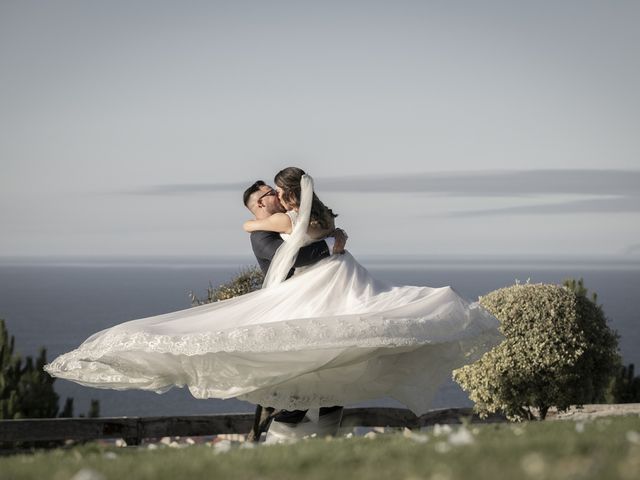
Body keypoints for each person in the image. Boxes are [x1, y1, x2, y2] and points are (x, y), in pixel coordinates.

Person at [44, 167, 502, 440]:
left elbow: (313, 236)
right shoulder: (262, 229)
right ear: (254, 207)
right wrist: (328, 246)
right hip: (306, 284)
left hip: (330, 281)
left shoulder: (291, 217)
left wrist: (330, 244)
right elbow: (288, 252)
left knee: (346, 337)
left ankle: (312, 417)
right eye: (261, 197)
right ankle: (292, 419)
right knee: (285, 346)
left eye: (271, 192)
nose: (268, 197)